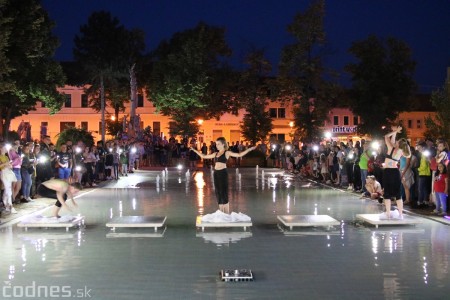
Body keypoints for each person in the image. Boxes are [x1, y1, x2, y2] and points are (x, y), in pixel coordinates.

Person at [189, 137, 256, 214]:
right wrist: (194, 150)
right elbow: (204, 156)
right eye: (216, 144)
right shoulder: (215, 154)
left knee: (224, 192)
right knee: (218, 192)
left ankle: (226, 213)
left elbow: (239, 154)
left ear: (223, 144)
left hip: (223, 173)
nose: (216, 145)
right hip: (216, 174)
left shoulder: (226, 153)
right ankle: (221, 212)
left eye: (218, 144)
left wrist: (250, 149)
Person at [383, 126, 411, 219]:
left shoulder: (391, 148)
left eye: (397, 142)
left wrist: (394, 131)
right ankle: (401, 214)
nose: (395, 141)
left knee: (387, 193)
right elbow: (392, 140)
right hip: (395, 172)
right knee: (398, 194)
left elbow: (386, 136)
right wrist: (395, 132)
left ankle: (388, 213)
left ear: (398, 144)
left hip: (388, 172)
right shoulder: (401, 151)